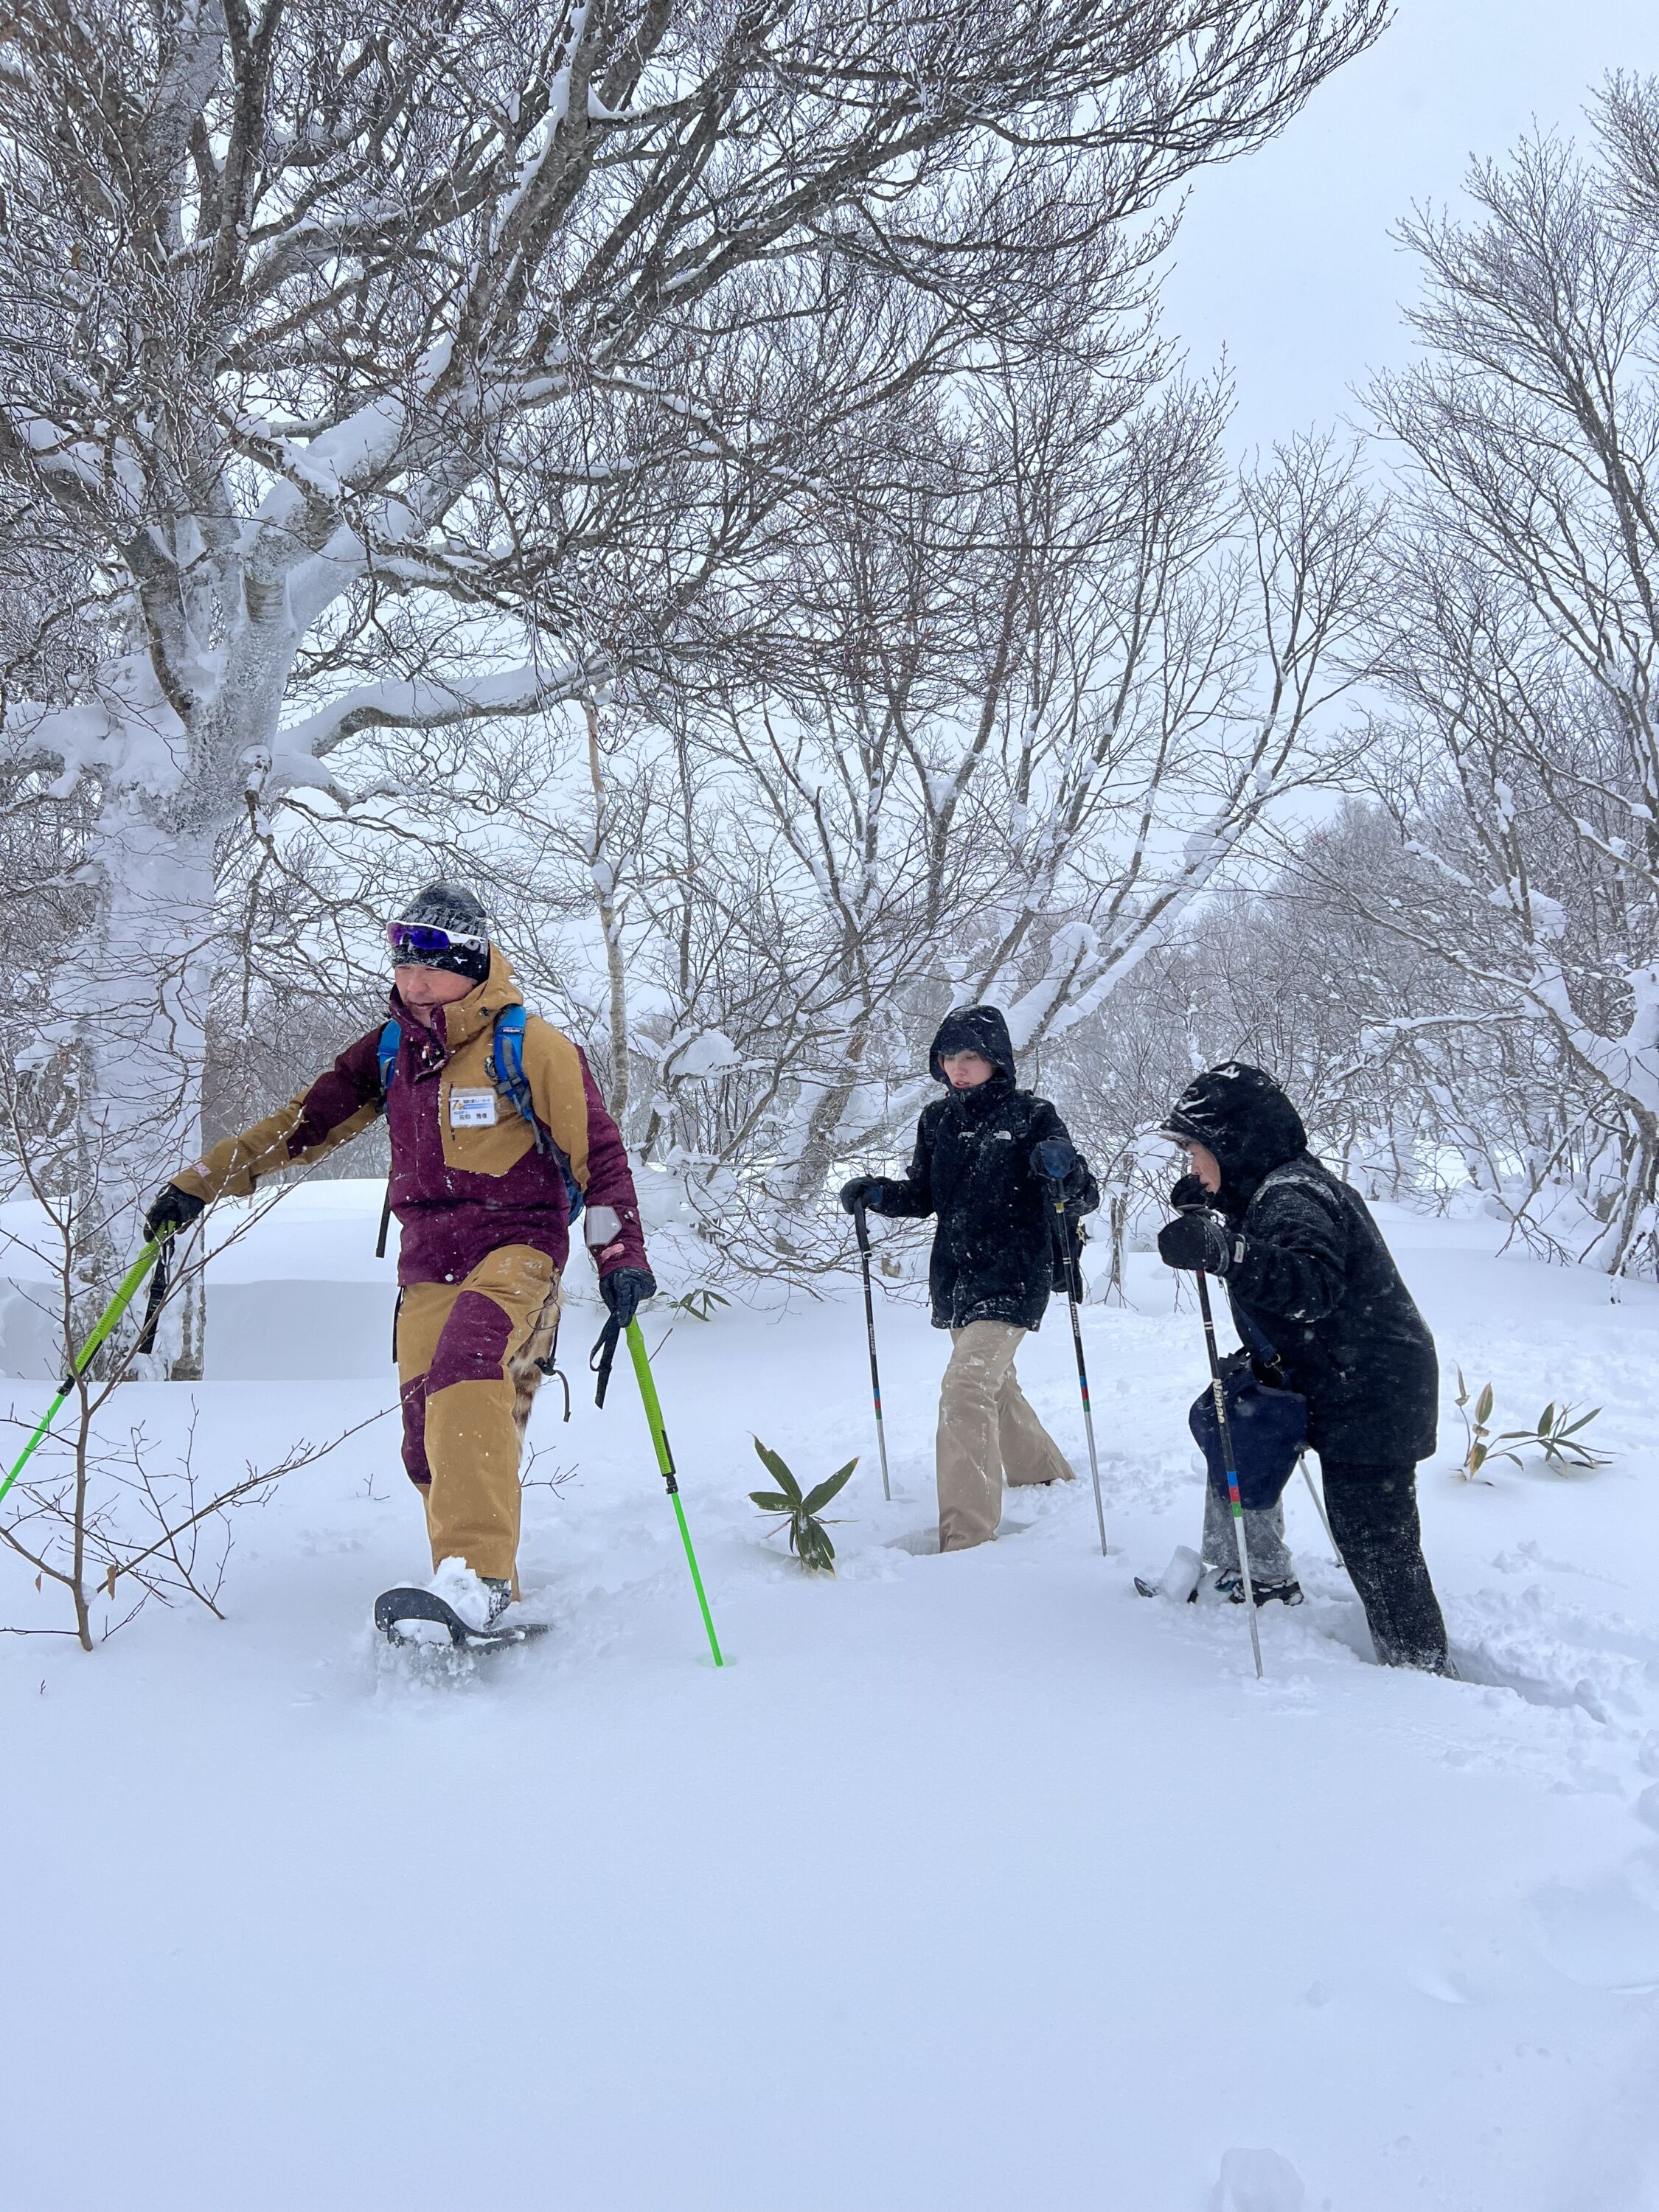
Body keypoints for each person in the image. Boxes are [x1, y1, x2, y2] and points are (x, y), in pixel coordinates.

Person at [141, 883, 655, 1632]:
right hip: (427, 1266)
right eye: (402, 964)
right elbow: (301, 1125)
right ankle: (467, 1581)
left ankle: (479, 1584)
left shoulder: (531, 1046)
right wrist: (200, 1183)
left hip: (518, 1251)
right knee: (428, 1433)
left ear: (475, 965)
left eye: (430, 968)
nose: (411, 983)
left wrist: (619, 1256)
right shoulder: (393, 1050)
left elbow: (599, 1161)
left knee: (468, 1370)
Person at [1154, 1062, 1452, 1674]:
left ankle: (1422, 1670)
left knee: (1375, 1541)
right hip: (1329, 1375)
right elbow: (1270, 1246)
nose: (1190, 1166)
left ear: (1234, 1145)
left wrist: (1226, 1250)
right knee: (1235, 1428)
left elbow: (1311, 1284)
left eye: (1196, 1153)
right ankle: (1252, 1573)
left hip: (1372, 1389)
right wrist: (1216, 1208)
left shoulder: (1293, 1193)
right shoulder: (1269, 1186)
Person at [839, 1005, 1099, 1553]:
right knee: (994, 1384)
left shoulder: (1032, 1116)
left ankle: (967, 1537)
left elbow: (1080, 1192)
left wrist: (1065, 1170)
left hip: (1016, 1273)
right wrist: (879, 1194)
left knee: (965, 1387)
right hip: (958, 1277)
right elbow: (926, 1195)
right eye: (949, 1057)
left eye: (971, 1057)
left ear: (996, 1061)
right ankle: (1044, 1474)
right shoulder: (938, 1122)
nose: (958, 1067)